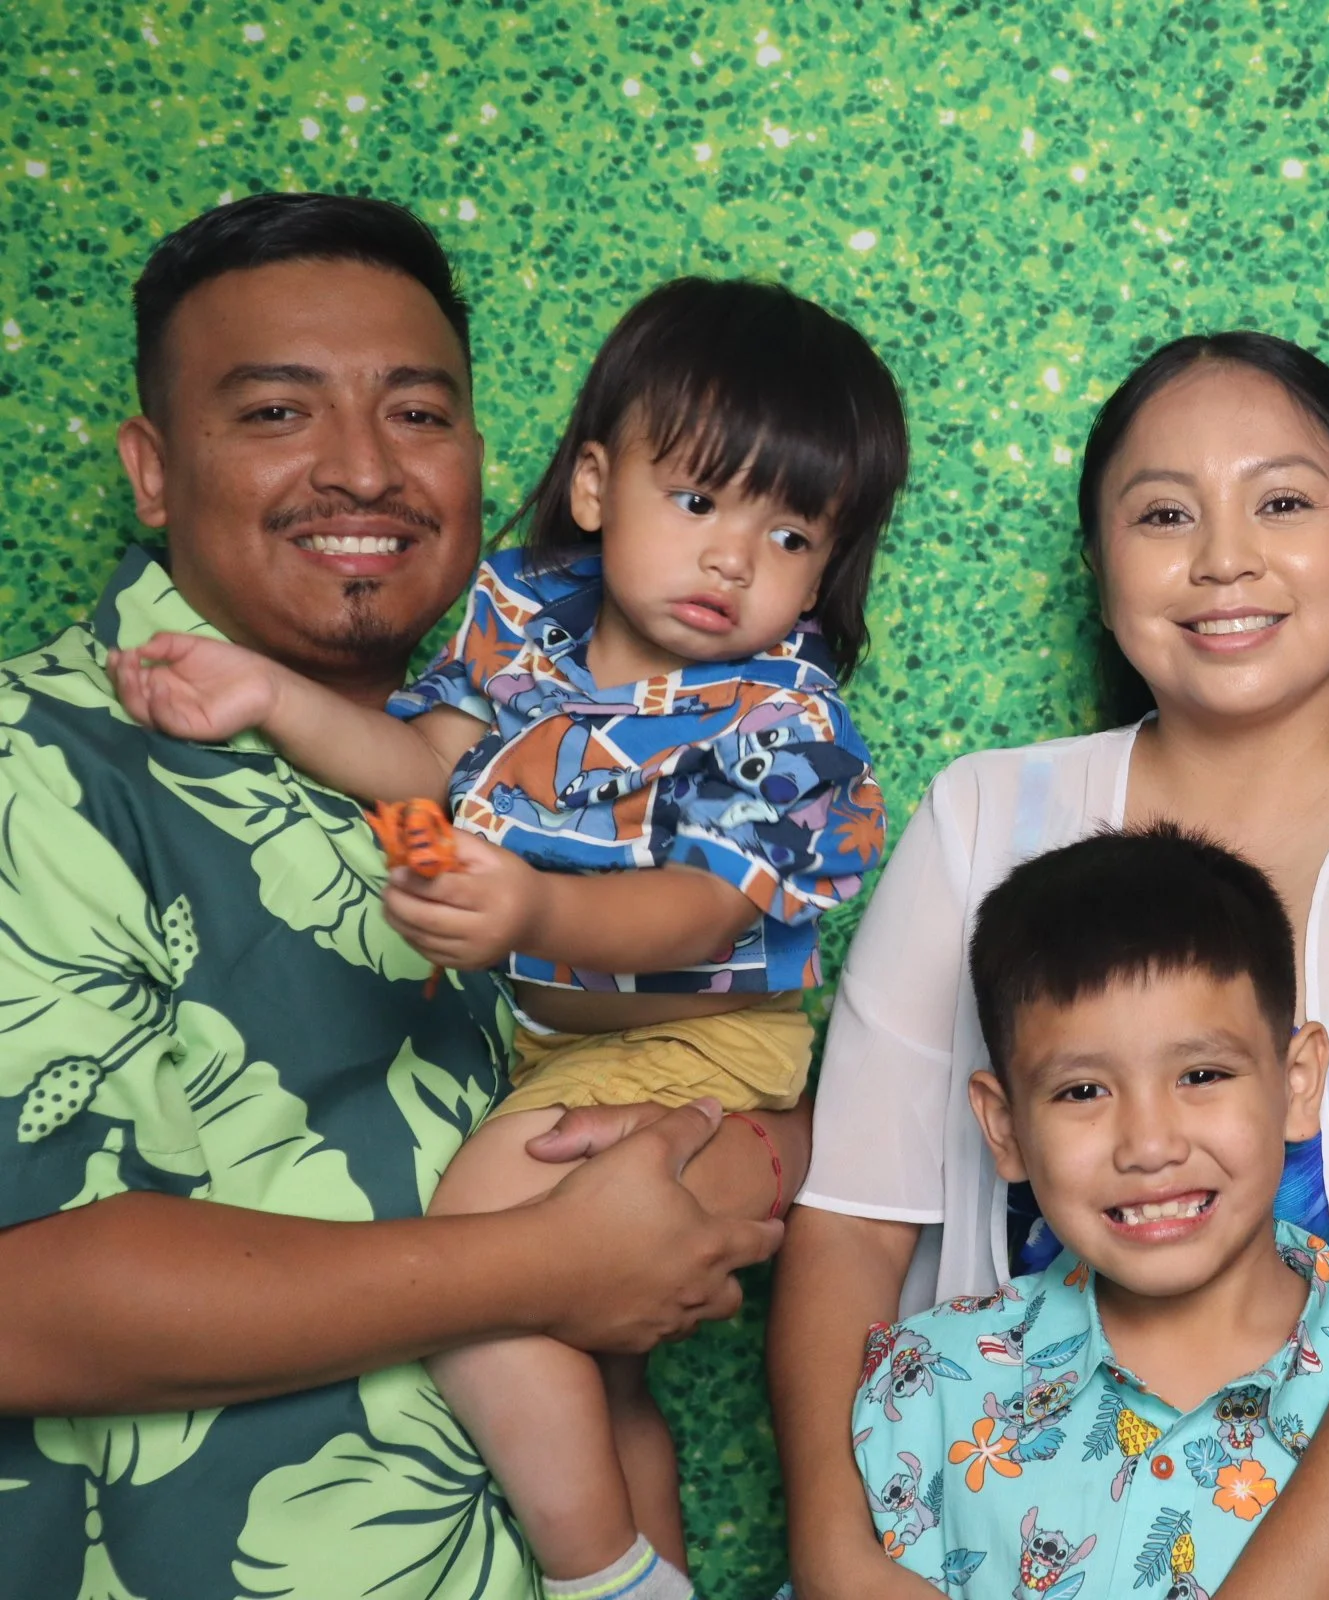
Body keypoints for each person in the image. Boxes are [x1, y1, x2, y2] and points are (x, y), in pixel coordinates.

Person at [0, 193, 798, 1600]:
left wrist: (749, 1148)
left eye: (419, 416)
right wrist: (545, 1263)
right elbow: (21, 1301)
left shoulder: (558, 744)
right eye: (275, 415)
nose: (363, 471)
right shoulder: (38, 763)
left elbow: (679, 1026)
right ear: (151, 468)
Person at [775, 331, 1329, 1600]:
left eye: (1282, 501)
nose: (1224, 557)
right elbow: (848, 1222)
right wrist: (843, 1553)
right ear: (1101, 571)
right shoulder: (979, 817)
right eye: (1165, 513)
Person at [848, 824, 1329, 1598]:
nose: (1150, 1144)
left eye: (1201, 1074)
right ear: (1004, 1128)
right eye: (1083, 1091)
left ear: (1298, 1084)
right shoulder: (923, 1389)